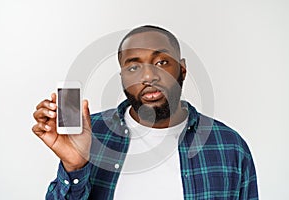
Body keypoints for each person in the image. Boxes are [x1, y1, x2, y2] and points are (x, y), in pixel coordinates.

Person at [32, 25, 258, 200]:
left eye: (161, 62)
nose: (148, 76)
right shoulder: (91, 133)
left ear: (182, 69)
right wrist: (74, 167)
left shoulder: (230, 146)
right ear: (122, 77)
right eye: (133, 67)